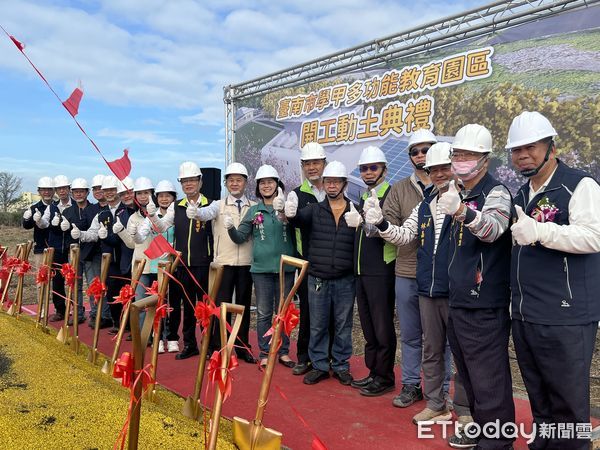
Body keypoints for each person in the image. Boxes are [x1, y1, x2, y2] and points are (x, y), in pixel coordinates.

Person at [508, 111, 600, 450]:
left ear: (551, 147)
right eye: (516, 150)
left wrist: (542, 231)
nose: (522, 156)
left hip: (566, 315)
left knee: (568, 402)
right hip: (527, 312)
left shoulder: (578, 184)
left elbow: (594, 236)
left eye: (531, 147)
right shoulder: (522, 193)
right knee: (540, 395)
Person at [364, 143, 471, 427]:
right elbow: (405, 235)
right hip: (428, 285)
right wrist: (382, 225)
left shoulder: (469, 197)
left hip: (458, 288)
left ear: (454, 167)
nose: (437, 174)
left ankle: (464, 408)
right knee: (432, 348)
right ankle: (436, 404)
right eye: (432, 170)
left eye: (442, 168)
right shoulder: (426, 203)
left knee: (460, 349)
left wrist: (462, 210)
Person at [437, 124, 514, 449]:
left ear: (485, 160)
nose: (462, 161)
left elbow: (494, 228)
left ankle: (497, 443)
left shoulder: (495, 192)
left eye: (470, 155)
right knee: (469, 376)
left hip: (485, 306)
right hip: (460, 302)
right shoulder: (457, 192)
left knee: (489, 381)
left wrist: (462, 212)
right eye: (458, 155)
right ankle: (483, 434)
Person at [382, 129, 449, 408]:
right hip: (408, 272)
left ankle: (442, 390)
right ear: (409, 157)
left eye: (426, 150)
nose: (420, 156)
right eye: (415, 151)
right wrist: (379, 224)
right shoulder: (399, 190)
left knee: (442, 340)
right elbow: (398, 231)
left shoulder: (454, 193)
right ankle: (411, 384)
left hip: (441, 277)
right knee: (411, 335)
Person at [285, 161, 357, 386]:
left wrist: (365, 223)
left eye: (337, 182)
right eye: (329, 182)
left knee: (343, 325)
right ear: (324, 184)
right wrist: (287, 212)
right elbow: (297, 220)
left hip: (345, 278)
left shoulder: (354, 211)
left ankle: (341, 366)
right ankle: (319, 366)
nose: (332, 186)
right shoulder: (314, 210)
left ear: (344, 184)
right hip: (317, 278)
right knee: (317, 324)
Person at [227, 164, 296, 368]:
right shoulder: (254, 211)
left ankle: (283, 352)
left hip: (286, 269)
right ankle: (265, 352)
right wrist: (231, 227)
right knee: (265, 313)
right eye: (262, 183)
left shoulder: (287, 208)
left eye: (270, 182)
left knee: (283, 312)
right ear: (258, 187)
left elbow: (299, 230)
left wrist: (288, 214)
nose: (266, 186)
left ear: (277, 185)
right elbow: (240, 237)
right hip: (261, 271)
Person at [188, 162, 257, 364]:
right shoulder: (218, 205)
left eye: (239, 180)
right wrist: (196, 212)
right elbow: (205, 213)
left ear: (246, 182)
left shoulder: (253, 207)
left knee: (243, 307)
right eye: (231, 180)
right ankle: (218, 346)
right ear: (225, 183)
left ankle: (242, 346)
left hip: (246, 263)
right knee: (220, 307)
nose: (235, 184)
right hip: (223, 264)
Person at [345, 146, 397, 397]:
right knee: (367, 325)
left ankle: (385, 376)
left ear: (384, 170)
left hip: (381, 269)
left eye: (373, 168)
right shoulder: (364, 196)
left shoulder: (392, 194)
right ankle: (373, 371)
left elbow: (392, 230)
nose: (367, 172)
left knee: (382, 325)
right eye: (364, 168)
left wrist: (367, 223)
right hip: (361, 271)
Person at [148, 162, 213, 360]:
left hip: (204, 264)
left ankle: (209, 345)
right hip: (183, 264)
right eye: (184, 181)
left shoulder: (211, 204)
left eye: (192, 180)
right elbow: (161, 227)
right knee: (188, 305)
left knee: (205, 307)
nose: (189, 184)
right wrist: (152, 215)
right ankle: (190, 344)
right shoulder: (177, 206)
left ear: (200, 181)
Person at [289, 142, 327, 375]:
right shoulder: (296, 193)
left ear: (324, 164)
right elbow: (292, 226)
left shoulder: (335, 189)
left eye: (316, 163)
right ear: (302, 166)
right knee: (309, 311)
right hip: (307, 263)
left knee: (329, 313)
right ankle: (304, 356)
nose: (312, 167)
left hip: (331, 262)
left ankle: (328, 356)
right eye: (308, 164)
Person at [75, 175, 130, 332]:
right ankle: (117, 323)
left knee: (127, 291)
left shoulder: (126, 210)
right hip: (109, 260)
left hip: (126, 258)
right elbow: (93, 233)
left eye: (112, 190)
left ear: (117, 191)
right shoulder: (101, 214)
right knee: (112, 291)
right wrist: (80, 234)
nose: (109, 193)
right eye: (106, 190)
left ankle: (130, 325)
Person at [137, 180, 177, 353]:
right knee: (157, 304)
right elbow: (139, 237)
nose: (164, 199)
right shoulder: (150, 216)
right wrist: (132, 233)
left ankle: (173, 337)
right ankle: (158, 336)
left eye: (168, 195)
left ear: (174, 197)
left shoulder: (177, 215)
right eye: (161, 196)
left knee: (172, 304)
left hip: (173, 266)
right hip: (155, 267)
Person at [39, 175, 73, 322]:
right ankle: (60, 309)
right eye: (59, 189)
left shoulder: (76, 206)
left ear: (69, 189)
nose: (62, 191)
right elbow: (44, 223)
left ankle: (76, 310)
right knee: (57, 280)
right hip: (57, 248)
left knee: (74, 280)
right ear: (56, 191)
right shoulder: (52, 207)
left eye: (65, 188)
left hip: (73, 248)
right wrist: (39, 220)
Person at [60, 177, 94, 323]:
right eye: (76, 192)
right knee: (75, 284)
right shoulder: (67, 212)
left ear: (87, 192)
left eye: (81, 191)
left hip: (92, 252)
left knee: (93, 284)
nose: (78, 194)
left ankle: (95, 314)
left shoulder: (94, 209)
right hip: (74, 252)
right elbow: (63, 234)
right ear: (72, 193)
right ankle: (78, 313)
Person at [22, 176, 54, 275]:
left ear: (53, 191)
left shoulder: (58, 206)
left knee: (58, 280)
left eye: (49, 189)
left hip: (57, 248)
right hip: (40, 247)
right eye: (43, 190)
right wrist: (27, 219)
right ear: (39, 192)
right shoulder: (34, 207)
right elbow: (27, 226)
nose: (47, 192)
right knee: (42, 279)